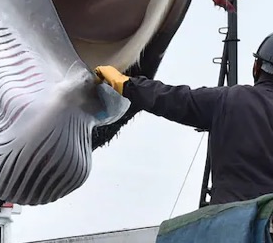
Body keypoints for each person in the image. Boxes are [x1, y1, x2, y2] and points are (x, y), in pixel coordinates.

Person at [94, 32, 273, 205]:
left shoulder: (230, 100)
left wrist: (125, 84)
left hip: (232, 224)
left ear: (256, 66)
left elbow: (172, 99)